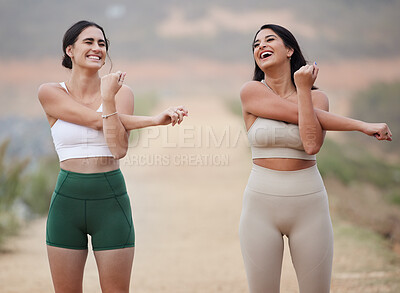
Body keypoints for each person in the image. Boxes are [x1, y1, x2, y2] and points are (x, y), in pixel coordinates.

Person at [238, 24, 392, 293]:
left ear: (289, 50)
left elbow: (311, 144)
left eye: (269, 39)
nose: (260, 46)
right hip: (260, 207)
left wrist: (304, 91)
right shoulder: (251, 92)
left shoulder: (318, 98)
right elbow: (294, 113)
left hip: (309, 206)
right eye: (255, 44)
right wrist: (361, 125)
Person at [38, 20, 188, 293]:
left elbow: (118, 149)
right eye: (89, 42)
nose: (97, 48)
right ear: (69, 50)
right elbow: (95, 122)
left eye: (102, 43)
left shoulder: (122, 94)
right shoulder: (50, 92)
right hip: (65, 204)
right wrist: (154, 120)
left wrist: (108, 98)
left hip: (110, 202)